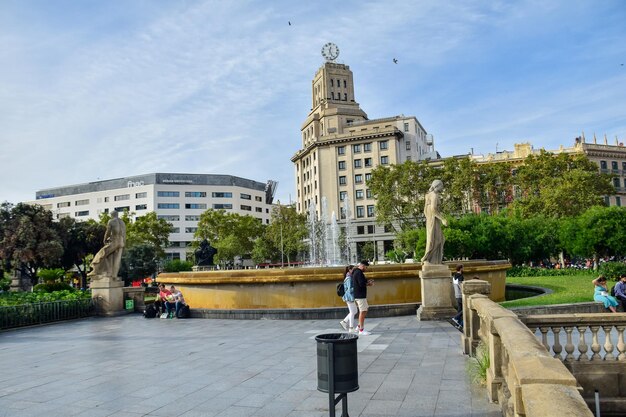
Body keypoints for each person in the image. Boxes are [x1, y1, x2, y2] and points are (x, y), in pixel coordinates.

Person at [89, 211, 126, 278]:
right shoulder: (122, 222)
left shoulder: (111, 221)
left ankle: (95, 270)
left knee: (101, 254)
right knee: (115, 258)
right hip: (121, 242)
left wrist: (105, 239)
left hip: (115, 241)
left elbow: (108, 231)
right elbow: (124, 234)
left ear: (112, 215)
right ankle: (112, 274)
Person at [421, 180, 447, 265]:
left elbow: (425, 210)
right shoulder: (434, 195)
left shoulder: (428, 195)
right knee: (437, 239)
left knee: (436, 239)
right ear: (437, 186)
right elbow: (433, 209)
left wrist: (428, 217)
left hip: (431, 219)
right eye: (441, 186)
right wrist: (442, 219)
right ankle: (427, 259)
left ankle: (435, 260)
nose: (442, 188)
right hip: (434, 219)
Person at [352, 260, 374, 335]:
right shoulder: (359, 273)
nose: (366, 269)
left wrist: (367, 282)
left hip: (358, 295)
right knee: (362, 311)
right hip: (360, 295)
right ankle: (361, 330)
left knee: (365, 309)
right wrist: (368, 284)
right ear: (362, 265)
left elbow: (362, 282)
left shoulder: (356, 272)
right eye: (366, 267)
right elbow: (361, 284)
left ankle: (358, 326)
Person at [339, 265, 358, 332]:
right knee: (353, 312)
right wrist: (357, 287)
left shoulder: (349, 277)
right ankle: (351, 327)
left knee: (354, 311)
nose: (355, 271)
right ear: (350, 270)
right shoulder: (349, 278)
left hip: (349, 297)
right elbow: (350, 290)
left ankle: (344, 322)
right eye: (353, 269)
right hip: (349, 297)